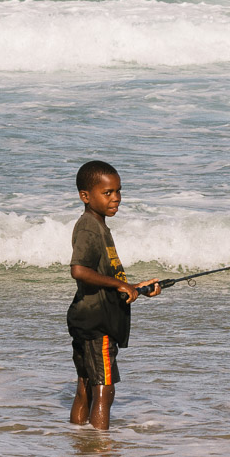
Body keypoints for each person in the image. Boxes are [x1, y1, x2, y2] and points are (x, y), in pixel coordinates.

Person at [67, 160, 160, 430]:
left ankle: (79, 442)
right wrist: (121, 286)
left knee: (86, 386)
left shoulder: (99, 226)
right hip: (97, 322)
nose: (116, 198)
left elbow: (106, 278)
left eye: (119, 191)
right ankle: (100, 452)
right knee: (104, 391)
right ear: (86, 196)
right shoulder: (88, 226)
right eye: (107, 193)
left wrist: (135, 287)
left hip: (89, 317)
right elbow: (79, 270)